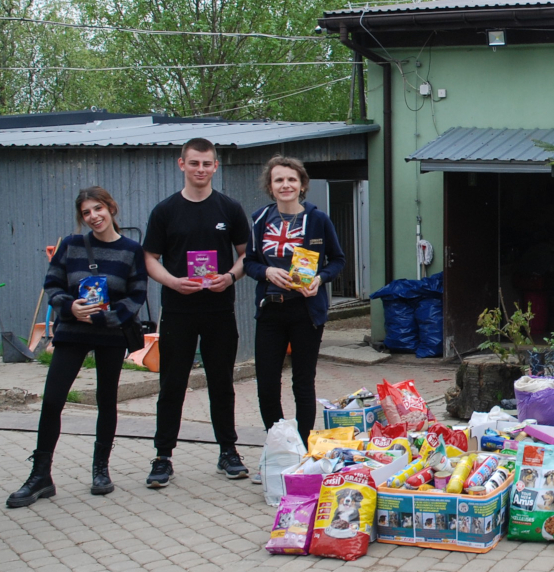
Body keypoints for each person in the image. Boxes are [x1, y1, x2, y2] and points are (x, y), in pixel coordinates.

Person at [7, 188, 147, 508]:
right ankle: (41, 476)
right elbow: (52, 284)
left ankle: (101, 470)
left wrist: (104, 318)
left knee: (106, 400)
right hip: (72, 331)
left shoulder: (131, 250)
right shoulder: (71, 246)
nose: (93, 216)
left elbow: (136, 295)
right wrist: (70, 308)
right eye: (86, 212)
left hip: (110, 334)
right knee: (53, 400)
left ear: (111, 208)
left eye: (98, 209)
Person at [142, 137, 251, 487]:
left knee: (222, 383)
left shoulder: (229, 208)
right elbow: (150, 259)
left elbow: (246, 254)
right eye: (194, 163)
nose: (200, 169)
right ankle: (163, 456)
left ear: (215, 166)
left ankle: (228, 451)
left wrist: (230, 277)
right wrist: (173, 282)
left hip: (219, 309)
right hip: (178, 310)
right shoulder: (165, 210)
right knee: (172, 384)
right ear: (182, 164)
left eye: (206, 163)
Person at [244, 156, 346, 455]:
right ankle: (279, 447)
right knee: (266, 383)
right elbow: (249, 262)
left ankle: (302, 450)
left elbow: (337, 260)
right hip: (270, 309)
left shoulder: (318, 219)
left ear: (302, 185)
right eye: (279, 180)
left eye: (291, 179)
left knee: (302, 383)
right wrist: (266, 271)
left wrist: (320, 279)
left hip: (305, 311)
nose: (285, 185)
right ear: (270, 186)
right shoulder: (260, 219)